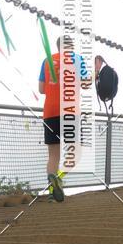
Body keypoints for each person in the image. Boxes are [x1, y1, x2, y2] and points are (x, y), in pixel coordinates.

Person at [38, 36, 90, 202]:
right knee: (75, 153)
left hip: (50, 111)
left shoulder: (47, 61)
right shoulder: (77, 59)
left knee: (53, 156)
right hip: (70, 111)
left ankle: (53, 190)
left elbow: (41, 90)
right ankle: (58, 177)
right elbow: (85, 84)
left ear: (58, 46)